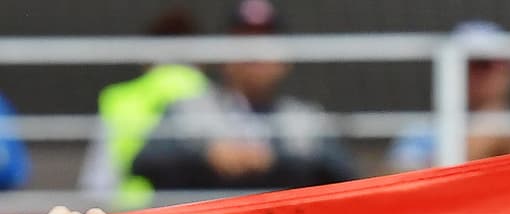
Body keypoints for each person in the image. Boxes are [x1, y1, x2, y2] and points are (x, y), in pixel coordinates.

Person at [132, 0, 355, 197]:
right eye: (243, 40)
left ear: (285, 57)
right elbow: (144, 164)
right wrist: (207, 155)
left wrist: (274, 160)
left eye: (266, 41)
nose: (254, 52)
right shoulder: (190, 109)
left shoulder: (304, 119)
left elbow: (345, 177)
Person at [77, 6, 210, 208]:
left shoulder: (119, 99)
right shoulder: (212, 95)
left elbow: (97, 185)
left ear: (147, 59)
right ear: (201, 60)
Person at [387, 21, 510, 172]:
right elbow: (395, 183)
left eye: (487, 64)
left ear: (509, 69)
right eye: (472, 65)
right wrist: (468, 150)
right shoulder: (419, 133)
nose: (481, 74)